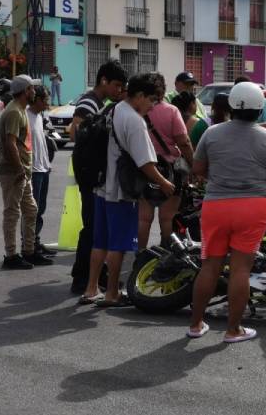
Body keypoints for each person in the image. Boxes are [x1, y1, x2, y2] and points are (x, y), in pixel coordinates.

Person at [187, 81, 266, 342]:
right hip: (253, 206)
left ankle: (196, 325)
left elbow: (198, 168)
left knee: (209, 266)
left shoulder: (212, 133)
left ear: (231, 106)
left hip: (216, 205)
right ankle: (233, 330)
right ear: (259, 110)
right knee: (241, 269)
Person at [80, 73, 175, 307]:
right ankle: (112, 292)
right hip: (121, 191)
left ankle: (91, 288)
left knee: (100, 242)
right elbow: (144, 162)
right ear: (140, 95)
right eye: (152, 100)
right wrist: (164, 183)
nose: (153, 106)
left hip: (102, 186)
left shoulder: (113, 109)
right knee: (119, 245)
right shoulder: (133, 120)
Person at [69, 60, 127, 295]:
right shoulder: (88, 103)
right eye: (116, 85)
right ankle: (82, 278)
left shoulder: (99, 104)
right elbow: (77, 134)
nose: (119, 91)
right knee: (92, 227)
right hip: (90, 175)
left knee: (97, 227)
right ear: (104, 81)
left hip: (94, 175)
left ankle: (95, 277)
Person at [0, 75, 52, 269]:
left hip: (23, 172)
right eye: (32, 88)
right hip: (14, 172)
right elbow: (10, 144)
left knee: (31, 210)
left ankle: (29, 251)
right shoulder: (13, 112)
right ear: (25, 90)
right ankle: (11, 256)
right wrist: (20, 169)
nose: (34, 92)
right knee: (12, 213)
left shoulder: (20, 110)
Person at [138, 73, 195, 250]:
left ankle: (140, 253)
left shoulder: (137, 111)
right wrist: (193, 165)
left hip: (144, 169)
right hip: (170, 171)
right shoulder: (171, 111)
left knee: (143, 218)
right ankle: (166, 252)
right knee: (167, 218)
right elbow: (183, 142)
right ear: (163, 90)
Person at [27, 85, 56, 256]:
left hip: (43, 168)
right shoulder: (26, 116)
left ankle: (35, 241)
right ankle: (29, 245)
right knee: (32, 210)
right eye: (45, 100)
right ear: (36, 99)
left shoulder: (39, 117)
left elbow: (41, 143)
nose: (47, 104)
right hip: (33, 170)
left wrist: (47, 164)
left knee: (41, 209)